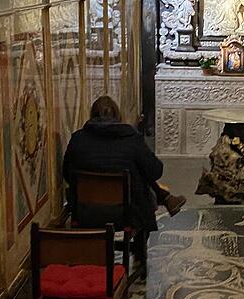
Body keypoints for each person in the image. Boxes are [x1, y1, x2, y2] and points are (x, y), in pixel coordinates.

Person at [63, 96, 186, 235]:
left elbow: (67, 174)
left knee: (137, 171)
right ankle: (140, 253)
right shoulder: (131, 139)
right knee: (140, 173)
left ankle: (165, 197)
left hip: (84, 211)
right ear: (117, 115)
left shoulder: (77, 139)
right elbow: (155, 171)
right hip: (126, 214)